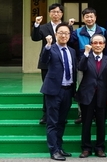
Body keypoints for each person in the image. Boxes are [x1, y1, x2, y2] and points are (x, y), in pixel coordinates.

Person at [40, 23, 77, 161]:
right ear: (56, 35)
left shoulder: (72, 51)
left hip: (67, 90)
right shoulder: (51, 49)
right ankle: (53, 150)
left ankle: (59, 147)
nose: (63, 35)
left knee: (62, 121)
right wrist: (48, 45)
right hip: (54, 91)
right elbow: (44, 60)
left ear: (69, 35)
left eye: (66, 33)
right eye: (60, 32)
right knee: (52, 122)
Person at [31, 3, 71, 124]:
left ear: (62, 14)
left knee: (63, 88)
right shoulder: (43, 27)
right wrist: (36, 24)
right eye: (53, 12)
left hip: (62, 61)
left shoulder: (66, 27)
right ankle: (46, 114)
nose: (56, 14)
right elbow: (35, 38)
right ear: (49, 13)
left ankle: (61, 114)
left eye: (58, 12)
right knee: (48, 89)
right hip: (47, 62)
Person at [68, 7, 106, 124]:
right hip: (83, 64)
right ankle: (82, 113)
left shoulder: (103, 31)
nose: (89, 19)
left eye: (91, 16)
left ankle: (97, 112)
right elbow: (69, 43)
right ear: (83, 19)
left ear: (95, 18)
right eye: (87, 17)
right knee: (82, 88)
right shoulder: (77, 32)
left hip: (99, 65)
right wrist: (69, 27)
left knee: (99, 88)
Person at [77, 34, 107, 158]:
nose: (98, 45)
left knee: (101, 124)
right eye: (95, 43)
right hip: (87, 95)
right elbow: (81, 68)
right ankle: (86, 148)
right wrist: (86, 54)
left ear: (104, 45)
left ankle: (100, 148)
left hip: (102, 96)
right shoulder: (86, 57)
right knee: (86, 123)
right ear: (91, 45)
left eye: (100, 43)